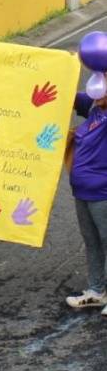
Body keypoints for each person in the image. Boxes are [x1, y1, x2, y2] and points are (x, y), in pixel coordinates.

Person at [65, 90, 107, 317]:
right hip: (81, 191)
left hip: (103, 193)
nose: (96, 93)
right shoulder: (94, 108)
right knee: (92, 241)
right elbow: (67, 93)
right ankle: (97, 290)